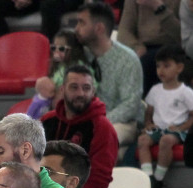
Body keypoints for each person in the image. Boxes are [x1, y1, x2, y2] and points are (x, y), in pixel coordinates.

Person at [41, 64, 118, 188]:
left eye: (86, 88)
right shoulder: (47, 121)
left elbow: (99, 178)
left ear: (93, 91)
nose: (81, 93)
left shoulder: (102, 127)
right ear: (62, 89)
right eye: (74, 87)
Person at [75, 1, 144, 144]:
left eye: (82, 23)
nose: (76, 28)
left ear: (99, 28)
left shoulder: (127, 59)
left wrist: (98, 122)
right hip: (86, 121)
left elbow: (130, 105)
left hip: (123, 122)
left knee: (103, 137)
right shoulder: (80, 55)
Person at [138, 44, 193, 188]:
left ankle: (159, 178)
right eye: (158, 66)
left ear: (179, 68)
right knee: (142, 140)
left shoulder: (185, 92)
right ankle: (148, 177)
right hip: (158, 128)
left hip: (176, 129)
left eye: (166, 66)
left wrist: (182, 128)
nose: (161, 70)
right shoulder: (155, 90)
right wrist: (148, 123)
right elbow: (149, 111)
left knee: (166, 141)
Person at [117, 0, 181, 94]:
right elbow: (124, 31)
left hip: (172, 46)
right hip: (143, 48)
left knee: (154, 62)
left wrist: (158, 6)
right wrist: (136, 47)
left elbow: (181, 34)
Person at [28, 29, 89, 120]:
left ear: (73, 50)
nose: (56, 52)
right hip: (52, 104)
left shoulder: (79, 67)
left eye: (61, 49)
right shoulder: (59, 66)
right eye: (53, 48)